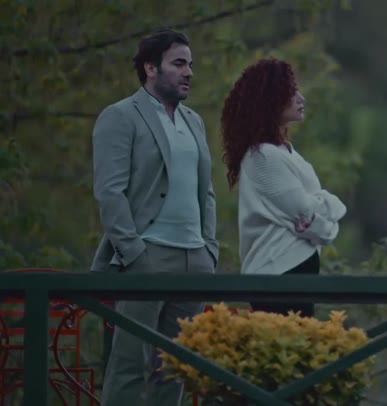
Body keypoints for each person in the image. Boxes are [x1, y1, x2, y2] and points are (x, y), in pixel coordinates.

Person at [90, 29, 218, 406]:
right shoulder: (120, 116)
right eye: (178, 63)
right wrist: (135, 254)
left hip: (195, 259)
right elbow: (110, 193)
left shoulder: (194, 121)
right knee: (129, 365)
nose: (189, 72)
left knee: (176, 370)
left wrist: (209, 248)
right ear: (150, 68)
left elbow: (206, 191)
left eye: (190, 64)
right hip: (147, 255)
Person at [220, 57, 346, 318]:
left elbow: (318, 222)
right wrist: (328, 214)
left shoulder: (285, 153)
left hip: (295, 275)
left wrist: (326, 215)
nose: (301, 98)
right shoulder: (263, 156)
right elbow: (306, 211)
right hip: (276, 274)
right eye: (291, 92)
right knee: (285, 344)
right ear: (270, 100)